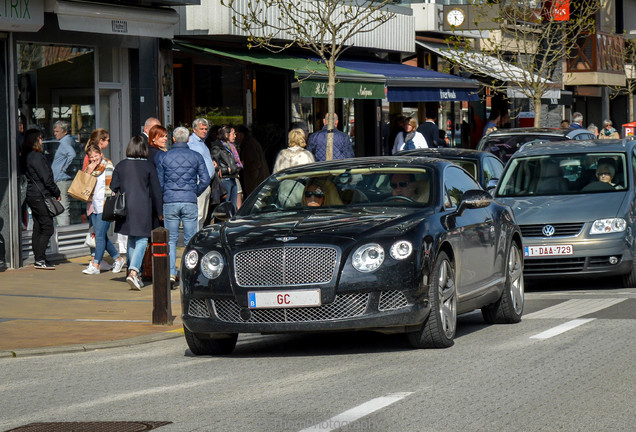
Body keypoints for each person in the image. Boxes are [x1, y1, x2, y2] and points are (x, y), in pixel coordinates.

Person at [156, 127, 210, 287]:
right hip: (189, 200)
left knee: (171, 240)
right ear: (187, 140)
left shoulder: (164, 157)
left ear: (173, 139)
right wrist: (195, 192)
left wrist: (167, 193)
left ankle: (171, 273)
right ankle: (189, 274)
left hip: (170, 201)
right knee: (190, 239)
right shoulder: (196, 156)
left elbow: (160, 182)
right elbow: (205, 179)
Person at [111, 135, 164, 291]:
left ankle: (134, 273)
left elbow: (114, 187)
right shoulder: (148, 166)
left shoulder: (120, 166)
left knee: (132, 239)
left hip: (125, 207)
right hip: (143, 207)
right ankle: (134, 271)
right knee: (142, 239)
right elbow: (156, 191)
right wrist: (160, 211)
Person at [81, 143, 126, 276]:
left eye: (96, 156)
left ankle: (95, 264)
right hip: (93, 206)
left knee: (99, 236)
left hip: (105, 205)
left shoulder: (108, 166)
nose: (94, 159)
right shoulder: (91, 168)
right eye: (91, 157)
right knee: (102, 237)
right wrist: (89, 170)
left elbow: (113, 185)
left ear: (101, 154)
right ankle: (118, 259)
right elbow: (83, 183)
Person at [21, 129, 61, 269]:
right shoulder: (36, 157)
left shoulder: (26, 156)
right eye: (40, 138)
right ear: (35, 140)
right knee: (47, 227)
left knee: (38, 226)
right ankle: (40, 259)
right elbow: (46, 178)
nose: (42, 141)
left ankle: (39, 258)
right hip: (40, 195)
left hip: (33, 195)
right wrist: (56, 192)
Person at [187, 118, 216, 229]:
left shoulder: (202, 143)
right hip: (199, 181)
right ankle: (193, 239)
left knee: (203, 216)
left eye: (206, 129)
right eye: (201, 129)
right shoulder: (191, 142)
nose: (204, 131)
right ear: (194, 130)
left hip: (206, 182)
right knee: (198, 215)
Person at [51, 120, 77, 226]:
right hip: (63, 178)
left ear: (65, 132)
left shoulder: (65, 142)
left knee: (63, 207)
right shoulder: (67, 140)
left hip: (62, 179)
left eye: (57, 131)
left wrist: (65, 167)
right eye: (54, 131)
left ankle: (64, 232)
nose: (55, 133)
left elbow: (72, 154)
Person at [210, 125, 241, 210]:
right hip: (225, 179)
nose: (235, 136)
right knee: (224, 208)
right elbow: (214, 166)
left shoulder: (232, 147)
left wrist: (235, 168)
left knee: (233, 207)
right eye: (233, 134)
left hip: (233, 178)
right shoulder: (217, 148)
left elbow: (234, 163)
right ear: (226, 135)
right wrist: (227, 170)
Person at [236, 125, 270, 197]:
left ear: (241, 134)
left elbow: (254, 165)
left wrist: (252, 184)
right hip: (255, 181)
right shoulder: (248, 143)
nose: (235, 136)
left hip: (255, 182)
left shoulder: (249, 144)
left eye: (236, 134)